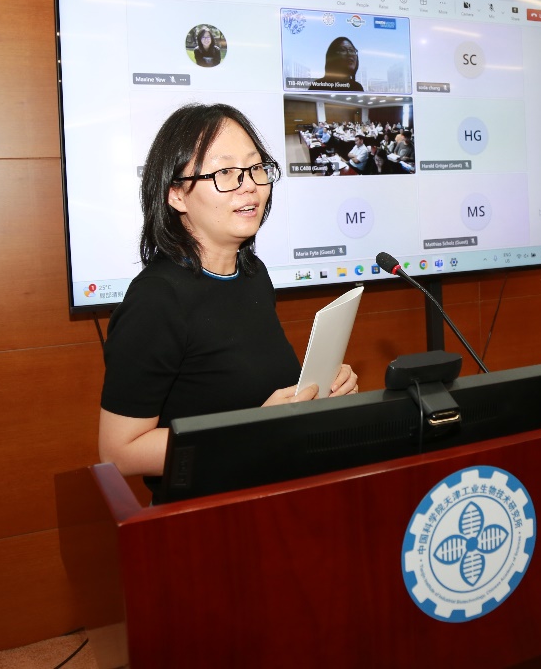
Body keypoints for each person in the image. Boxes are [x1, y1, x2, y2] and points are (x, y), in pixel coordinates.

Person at [98, 103, 358, 492]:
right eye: (224, 173)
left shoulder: (252, 274)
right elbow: (119, 453)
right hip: (206, 513)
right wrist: (252, 429)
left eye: (255, 168)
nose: (249, 185)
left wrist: (319, 392)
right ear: (176, 195)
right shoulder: (156, 300)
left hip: (276, 494)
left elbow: (259, 393)